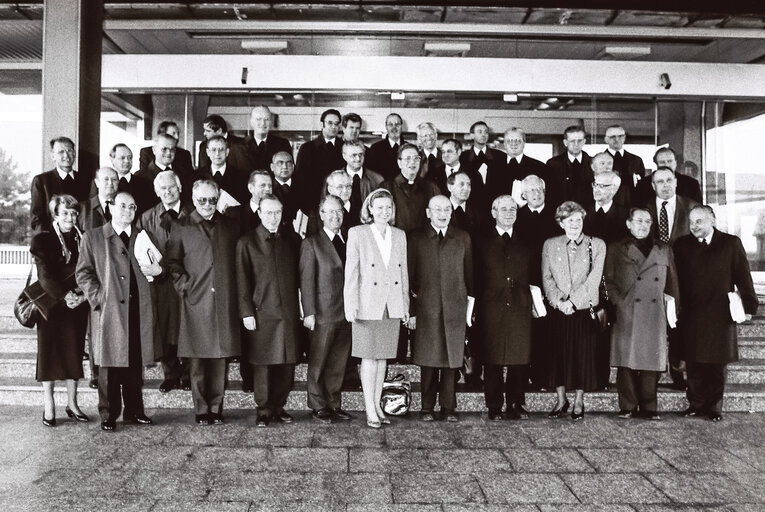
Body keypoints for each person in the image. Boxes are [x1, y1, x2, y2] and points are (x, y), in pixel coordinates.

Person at [76, 192, 161, 432]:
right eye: (122, 206)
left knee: (134, 364)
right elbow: (83, 273)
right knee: (109, 367)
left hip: (136, 309)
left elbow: (155, 266)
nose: (127, 211)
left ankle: (135, 411)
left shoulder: (143, 236)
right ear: (110, 207)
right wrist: (99, 297)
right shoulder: (93, 237)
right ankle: (108, 414)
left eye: (132, 207)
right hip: (109, 311)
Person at [165, 180, 241, 425]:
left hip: (223, 300)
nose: (208, 205)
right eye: (202, 200)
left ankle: (216, 407)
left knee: (220, 357)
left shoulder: (230, 225)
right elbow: (172, 262)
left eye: (212, 200)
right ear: (193, 199)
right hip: (195, 300)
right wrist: (185, 286)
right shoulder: (181, 226)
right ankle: (201, 408)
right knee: (197, 359)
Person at [674, 205, 757, 421]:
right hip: (692, 313)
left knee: (716, 364)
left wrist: (749, 305)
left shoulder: (730, 243)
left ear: (712, 220)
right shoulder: (682, 245)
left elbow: (743, 275)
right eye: (691, 222)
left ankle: (713, 407)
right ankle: (695, 403)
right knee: (693, 362)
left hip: (720, 313)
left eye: (699, 221)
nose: (694, 226)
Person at [604, 207, 679, 420]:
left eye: (647, 221)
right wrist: (618, 302)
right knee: (626, 360)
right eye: (638, 221)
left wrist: (673, 311)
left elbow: (673, 283)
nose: (643, 225)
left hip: (655, 311)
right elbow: (607, 280)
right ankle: (628, 405)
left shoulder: (663, 249)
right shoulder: (617, 248)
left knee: (650, 360)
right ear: (629, 223)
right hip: (627, 310)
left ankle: (649, 406)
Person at [344, 188, 409, 428]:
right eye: (379, 207)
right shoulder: (358, 233)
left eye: (388, 207)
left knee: (382, 358)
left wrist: (404, 306)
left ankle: (378, 405)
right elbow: (351, 272)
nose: (384, 211)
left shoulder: (399, 235)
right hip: (367, 304)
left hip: (391, 304)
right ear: (370, 209)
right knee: (369, 358)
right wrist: (350, 305)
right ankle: (369, 408)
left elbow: (403, 274)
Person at [237, 195, 302, 427]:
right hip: (261, 313)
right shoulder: (247, 242)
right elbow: (242, 281)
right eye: (268, 213)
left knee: (286, 362)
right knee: (263, 364)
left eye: (277, 213)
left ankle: (279, 405)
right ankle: (263, 409)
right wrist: (246, 313)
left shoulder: (291, 240)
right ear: (259, 213)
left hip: (288, 313)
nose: (273, 217)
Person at [408, 195, 474, 422]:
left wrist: (470, 309)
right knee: (428, 359)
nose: (443, 213)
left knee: (451, 360)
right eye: (437, 209)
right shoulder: (416, 238)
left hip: (455, 307)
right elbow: (409, 276)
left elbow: (469, 275)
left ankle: (448, 407)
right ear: (428, 212)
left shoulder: (462, 237)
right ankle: (426, 407)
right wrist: (412, 311)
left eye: (447, 209)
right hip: (427, 307)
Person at [542, 201, 606, 420]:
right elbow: (547, 277)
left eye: (579, 219)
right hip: (559, 310)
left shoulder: (596, 244)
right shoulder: (550, 245)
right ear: (561, 223)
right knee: (557, 355)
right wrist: (559, 302)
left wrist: (573, 302)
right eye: (570, 220)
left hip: (583, 310)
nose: (575, 224)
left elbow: (594, 279)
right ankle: (561, 400)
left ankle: (579, 401)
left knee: (582, 356)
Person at [31, 194, 89, 426]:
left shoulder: (83, 238)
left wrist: (82, 297)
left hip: (76, 305)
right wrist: (65, 296)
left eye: (73, 213)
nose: (69, 217)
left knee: (74, 352)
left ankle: (73, 404)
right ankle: (49, 405)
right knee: (49, 354)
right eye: (64, 212)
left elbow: (90, 271)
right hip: (52, 304)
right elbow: (44, 275)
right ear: (55, 214)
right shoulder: (42, 240)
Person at [475, 195, 534, 420]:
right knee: (493, 357)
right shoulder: (481, 241)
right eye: (504, 209)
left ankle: (516, 404)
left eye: (513, 209)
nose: (509, 213)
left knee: (520, 355)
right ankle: (494, 405)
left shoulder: (526, 240)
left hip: (519, 304)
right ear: (493, 212)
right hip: (492, 305)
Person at [136, 171, 193, 393]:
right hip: (160, 284)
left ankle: (188, 373)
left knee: (186, 326)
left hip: (186, 280)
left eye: (171, 187)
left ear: (179, 188)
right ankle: (170, 374)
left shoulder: (193, 213)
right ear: (156, 191)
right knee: (164, 329)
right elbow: (141, 249)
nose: (167, 192)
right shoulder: (147, 217)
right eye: (163, 189)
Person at [300, 194, 354, 423]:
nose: (335, 215)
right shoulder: (311, 243)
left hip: (347, 312)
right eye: (330, 211)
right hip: (322, 312)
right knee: (319, 361)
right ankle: (317, 404)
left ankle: (333, 403)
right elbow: (306, 280)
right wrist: (309, 312)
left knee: (338, 361)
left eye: (339, 211)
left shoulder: (350, 240)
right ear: (321, 215)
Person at [514, 175, 562, 390]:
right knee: (524, 333)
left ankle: (544, 378)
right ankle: (523, 378)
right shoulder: (516, 217)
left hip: (550, 283)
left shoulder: (556, 218)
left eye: (539, 190)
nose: (535, 194)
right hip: (524, 284)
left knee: (547, 334)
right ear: (523, 194)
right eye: (531, 191)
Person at [31, 137, 93, 232]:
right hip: (51, 238)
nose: (66, 155)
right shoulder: (42, 181)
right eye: (61, 152)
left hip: (80, 238)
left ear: (74, 153)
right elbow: (37, 219)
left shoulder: (87, 180)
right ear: (53, 156)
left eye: (69, 150)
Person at [294, 108, 345, 212]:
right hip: (313, 204)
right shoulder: (307, 148)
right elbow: (300, 178)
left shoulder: (344, 147)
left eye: (336, 124)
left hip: (339, 203)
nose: (333, 127)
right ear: (322, 124)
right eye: (330, 123)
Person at [459, 121, 505, 218]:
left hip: (495, 209)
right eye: (479, 131)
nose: (483, 134)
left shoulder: (500, 156)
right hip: (470, 209)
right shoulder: (462, 157)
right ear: (472, 135)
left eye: (486, 132)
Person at [634, 147, 702, 206]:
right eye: (662, 162)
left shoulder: (691, 184)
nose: (666, 165)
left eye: (670, 161)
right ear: (656, 164)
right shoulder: (643, 184)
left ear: (676, 162)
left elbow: (699, 211)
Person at [545, 126, 591, 209]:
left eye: (579, 141)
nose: (576, 144)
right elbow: (550, 194)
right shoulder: (553, 164)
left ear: (584, 142)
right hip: (562, 213)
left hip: (587, 213)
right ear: (565, 142)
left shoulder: (592, 163)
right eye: (572, 141)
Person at [102, 144, 156, 215]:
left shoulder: (145, 183)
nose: (127, 161)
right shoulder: (102, 183)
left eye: (130, 157)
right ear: (112, 159)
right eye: (122, 158)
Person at [196, 134, 249, 206]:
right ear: (208, 152)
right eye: (214, 150)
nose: (217, 154)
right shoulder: (196, 176)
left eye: (221, 150)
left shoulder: (241, 177)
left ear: (227, 152)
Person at [603, 125, 646, 206]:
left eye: (620, 136)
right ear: (606, 139)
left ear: (624, 138)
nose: (617, 139)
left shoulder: (636, 160)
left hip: (632, 205)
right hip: (608, 206)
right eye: (613, 137)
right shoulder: (599, 160)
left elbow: (641, 186)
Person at [245, 105, 293, 171]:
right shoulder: (239, 147)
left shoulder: (283, 144)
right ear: (251, 122)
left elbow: (289, 171)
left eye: (266, 119)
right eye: (258, 119)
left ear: (271, 122)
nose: (263, 123)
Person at [366, 113, 406, 181]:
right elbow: (371, 175)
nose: (394, 127)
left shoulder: (409, 148)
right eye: (390, 124)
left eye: (397, 124)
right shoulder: (375, 148)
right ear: (386, 127)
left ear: (401, 126)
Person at [79, 167, 119, 234]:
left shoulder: (123, 207)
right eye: (106, 179)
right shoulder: (82, 208)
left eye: (114, 179)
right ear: (97, 183)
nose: (110, 183)